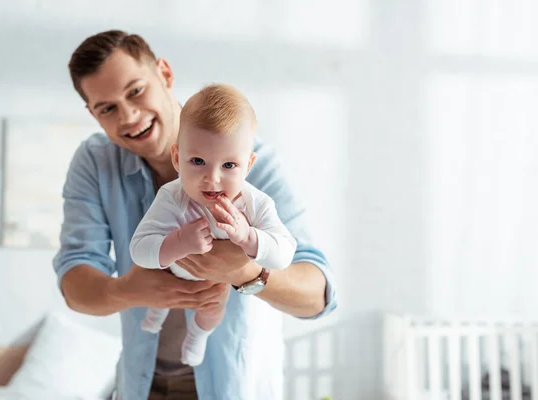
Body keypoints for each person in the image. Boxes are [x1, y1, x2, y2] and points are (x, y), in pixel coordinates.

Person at [53, 30, 337, 400]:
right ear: (93, 113)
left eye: (136, 91)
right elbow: (76, 282)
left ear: (165, 74)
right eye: (107, 108)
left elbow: (317, 294)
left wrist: (246, 272)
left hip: (233, 384)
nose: (130, 116)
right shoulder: (95, 162)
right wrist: (126, 290)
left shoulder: (253, 166)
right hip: (141, 383)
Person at [129, 83, 297, 367]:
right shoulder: (172, 196)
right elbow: (139, 250)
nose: (213, 179)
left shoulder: (255, 203)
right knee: (160, 292)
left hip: (214, 284)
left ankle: (197, 336)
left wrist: (248, 237)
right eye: (198, 161)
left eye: (229, 165)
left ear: (249, 164)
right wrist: (178, 242)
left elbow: (285, 254)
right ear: (177, 159)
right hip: (171, 272)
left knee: (212, 310)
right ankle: (155, 317)